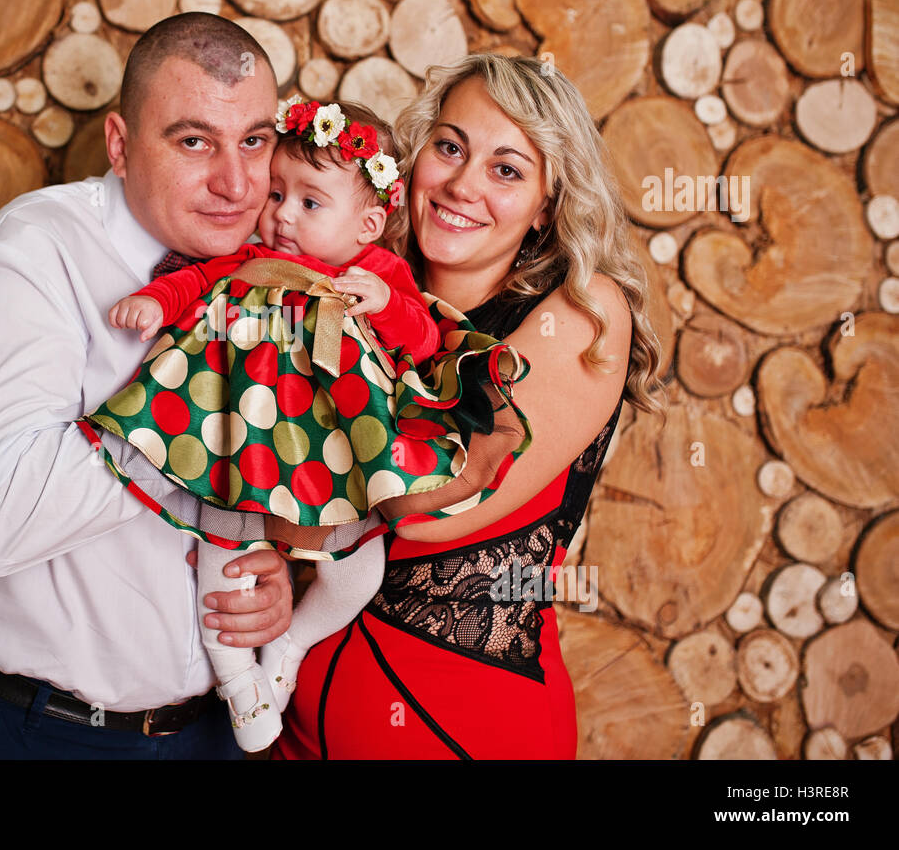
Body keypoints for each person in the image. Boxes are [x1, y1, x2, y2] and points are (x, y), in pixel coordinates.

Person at [84, 99, 532, 751]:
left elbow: (425, 338)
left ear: (369, 223)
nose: (283, 215)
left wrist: (387, 306)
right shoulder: (248, 257)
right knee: (225, 555)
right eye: (276, 195)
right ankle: (237, 678)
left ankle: (290, 647)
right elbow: (193, 282)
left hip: (334, 457)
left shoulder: (376, 272)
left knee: (358, 570)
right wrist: (153, 301)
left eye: (311, 203)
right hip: (237, 441)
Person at [0, 13, 297, 759]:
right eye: (195, 141)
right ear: (120, 146)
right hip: (40, 731)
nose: (235, 182)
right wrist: (192, 397)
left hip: (214, 732)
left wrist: (276, 573)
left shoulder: (271, 268)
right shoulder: (35, 250)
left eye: (253, 141)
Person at [274, 53, 666, 760]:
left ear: (548, 203)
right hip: (296, 717)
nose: (462, 184)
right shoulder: (363, 286)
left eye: (507, 169)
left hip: (457, 724)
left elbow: (422, 509)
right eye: (450, 147)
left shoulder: (581, 313)